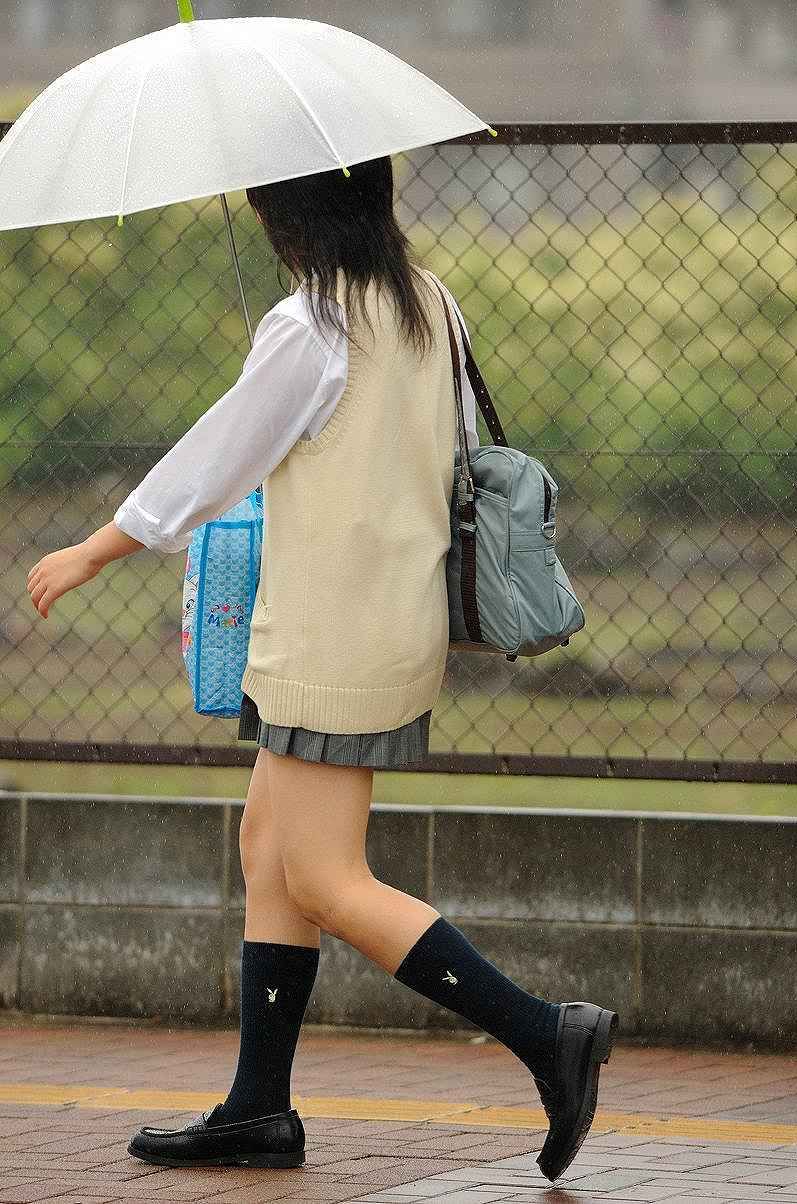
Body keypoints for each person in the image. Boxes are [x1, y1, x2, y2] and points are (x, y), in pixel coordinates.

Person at [25, 154, 617, 1181]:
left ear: (289, 215)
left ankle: (545, 1033)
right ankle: (258, 1109)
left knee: (326, 879)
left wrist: (95, 548)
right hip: (387, 621)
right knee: (269, 846)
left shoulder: (313, 324)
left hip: (330, 637)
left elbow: (215, 458)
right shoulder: (427, 301)